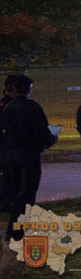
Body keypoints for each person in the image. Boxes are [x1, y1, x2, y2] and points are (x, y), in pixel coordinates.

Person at [1, 75, 56, 241]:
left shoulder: (8, 108)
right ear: (28, 89)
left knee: (16, 191)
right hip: (29, 155)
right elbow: (42, 133)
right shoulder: (32, 107)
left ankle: (14, 228)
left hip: (11, 155)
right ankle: (17, 230)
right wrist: (51, 140)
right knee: (27, 193)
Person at [0, 75, 17, 212]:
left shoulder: (4, 104)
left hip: (6, 145)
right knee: (9, 176)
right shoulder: (9, 106)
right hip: (7, 147)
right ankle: (6, 203)